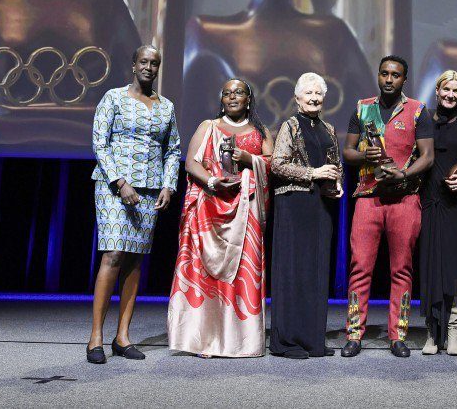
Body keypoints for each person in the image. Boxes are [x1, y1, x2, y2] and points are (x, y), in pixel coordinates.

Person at [87, 45, 180, 364]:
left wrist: (169, 184)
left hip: (150, 191)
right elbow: (100, 142)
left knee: (135, 261)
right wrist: (120, 182)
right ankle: (95, 337)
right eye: (144, 61)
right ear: (133, 64)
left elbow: (172, 149)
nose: (149, 67)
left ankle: (122, 336)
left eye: (155, 63)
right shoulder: (113, 98)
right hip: (114, 187)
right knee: (113, 254)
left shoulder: (166, 106)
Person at [167, 79, 272, 358]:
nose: (233, 97)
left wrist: (250, 159)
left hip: (246, 211)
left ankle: (243, 341)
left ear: (249, 98)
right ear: (221, 99)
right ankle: (205, 340)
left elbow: (272, 163)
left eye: (239, 92)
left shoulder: (260, 132)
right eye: (227, 93)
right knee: (206, 278)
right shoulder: (208, 126)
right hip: (209, 211)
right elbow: (191, 163)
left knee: (243, 273)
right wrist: (214, 182)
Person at [341, 55, 434, 358]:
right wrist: (366, 157)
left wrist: (405, 173)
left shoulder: (418, 110)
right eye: (384, 74)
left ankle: (398, 335)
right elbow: (348, 152)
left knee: (401, 270)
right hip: (368, 199)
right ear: (378, 76)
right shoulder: (362, 107)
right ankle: (354, 334)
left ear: (404, 79)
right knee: (360, 268)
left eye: (395, 75)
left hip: (405, 199)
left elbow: (428, 157)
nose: (389, 79)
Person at [268, 72, 344, 359]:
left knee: (316, 272)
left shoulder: (329, 128)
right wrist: (313, 173)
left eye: (318, 94)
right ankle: (287, 341)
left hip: (320, 207)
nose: (314, 98)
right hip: (293, 203)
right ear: (297, 98)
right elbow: (277, 164)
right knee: (293, 272)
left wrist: (336, 185)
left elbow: (335, 165)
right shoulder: (290, 126)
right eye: (308, 93)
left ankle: (313, 339)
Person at [418, 70, 457, 356]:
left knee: (454, 266)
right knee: (431, 264)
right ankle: (432, 331)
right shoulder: (423, 118)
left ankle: (454, 328)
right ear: (437, 90)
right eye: (446, 90)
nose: (450, 95)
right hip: (429, 201)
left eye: (456, 91)